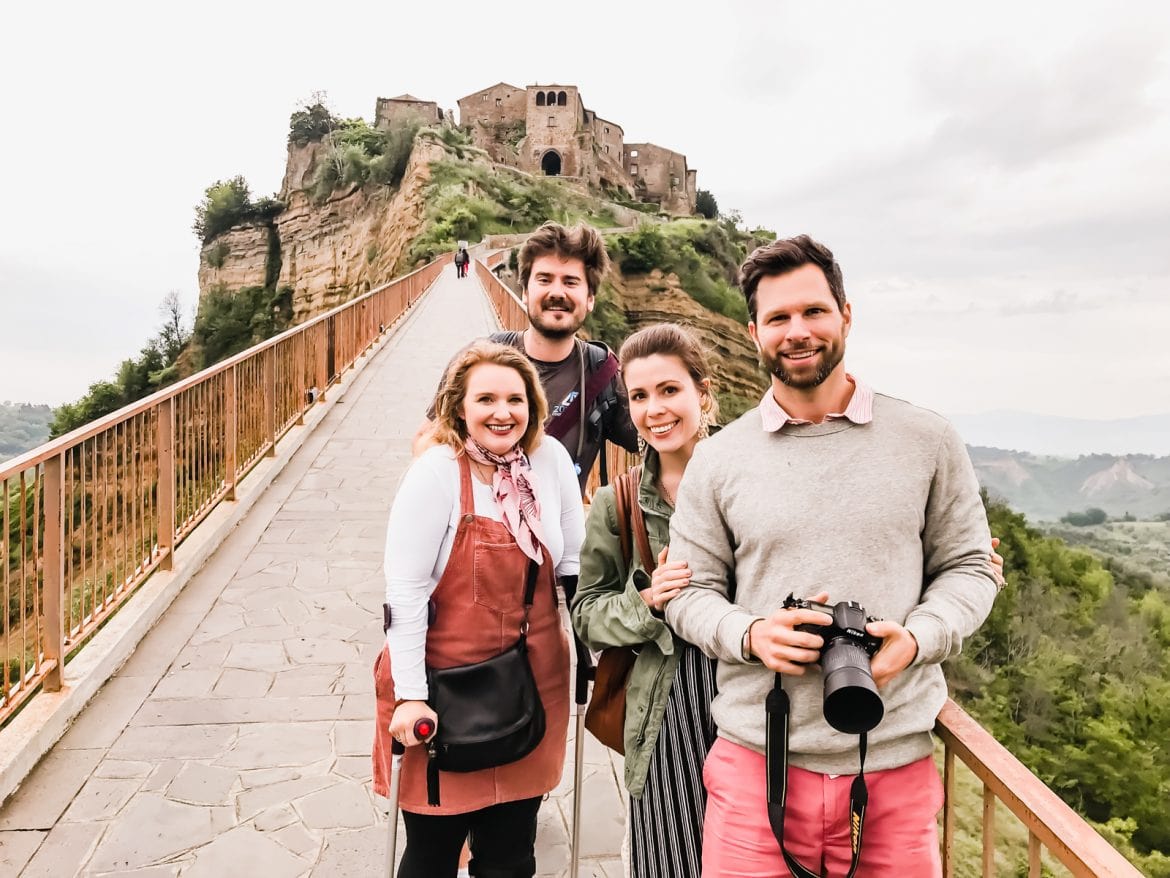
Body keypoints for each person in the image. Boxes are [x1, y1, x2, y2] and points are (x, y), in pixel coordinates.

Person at [664, 235, 1001, 877]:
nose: (798, 331)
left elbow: (970, 566)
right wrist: (751, 632)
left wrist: (920, 637)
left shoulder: (927, 440)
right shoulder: (719, 459)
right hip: (754, 760)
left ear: (846, 314)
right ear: (753, 330)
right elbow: (688, 590)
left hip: (893, 763)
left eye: (814, 311)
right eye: (778, 318)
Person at [372, 340, 585, 878]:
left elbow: (573, 561)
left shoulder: (551, 460)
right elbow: (405, 593)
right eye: (485, 398)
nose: (502, 412)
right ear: (459, 407)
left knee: (512, 854)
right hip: (445, 690)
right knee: (432, 853)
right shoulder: (438, 471)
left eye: (515, 399)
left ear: (533, 407)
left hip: (535, 682)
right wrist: (410, 696)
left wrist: (587, 647)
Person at [570, 323, 720, 878]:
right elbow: (585, 614)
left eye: (669, 390)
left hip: (751, 697)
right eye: (639, 395)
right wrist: (647, 603)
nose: (655, 409)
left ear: (702, 392)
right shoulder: (618, 501)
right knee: (668, 860)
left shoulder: (751, 480)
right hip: (666, 708)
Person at [417, 221, 640, 492]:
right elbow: (426, 440)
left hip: (556, 530)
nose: (557, 292)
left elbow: (654, 442)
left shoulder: (602, 372)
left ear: (590, 298)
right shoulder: (479, 361)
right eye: (544, 279)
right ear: (525, 292)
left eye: (571, 282)